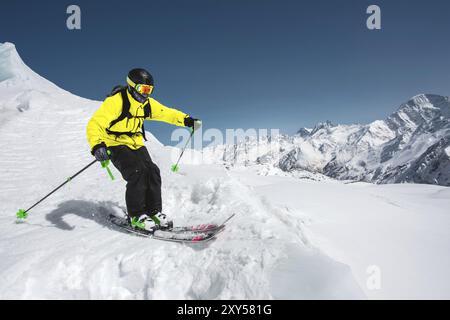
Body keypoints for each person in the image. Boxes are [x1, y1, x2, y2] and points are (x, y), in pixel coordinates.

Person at [86, 68, 201, 232]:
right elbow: (95, 124)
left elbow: (166, 113)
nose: (146, 94)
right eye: (143, 89)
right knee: (137, 172)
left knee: (152, 171)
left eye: (149, 90)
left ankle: (153, 212)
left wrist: (186, 120)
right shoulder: (117, 101)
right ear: (132, 86)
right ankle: (136, 215)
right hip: (114, 143)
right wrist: (97, 145)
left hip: (135, 142)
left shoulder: (146, 104)